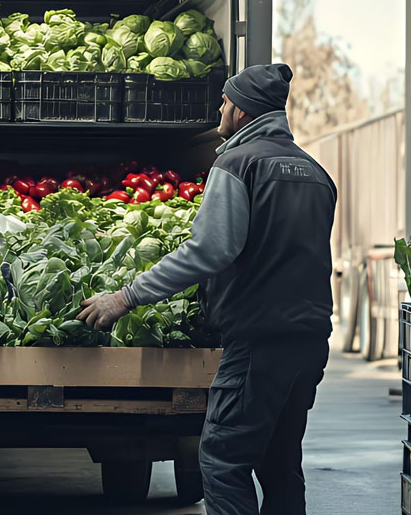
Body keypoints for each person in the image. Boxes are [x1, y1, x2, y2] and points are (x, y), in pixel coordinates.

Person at [77, 63, 338, 515]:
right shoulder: (316, 172)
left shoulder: (237, 162)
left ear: (240, 110)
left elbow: (208, 251)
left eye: (223, 100)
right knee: (280, 464)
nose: (219, 107)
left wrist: (124, 297)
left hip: (259, 341)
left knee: (222, 460)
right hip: (311, 339)